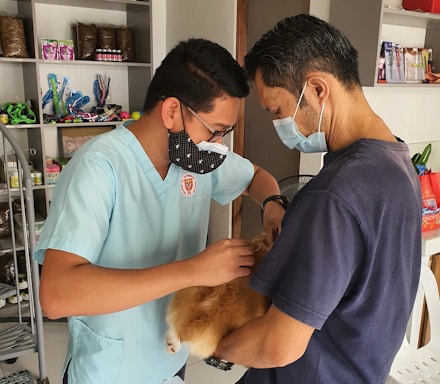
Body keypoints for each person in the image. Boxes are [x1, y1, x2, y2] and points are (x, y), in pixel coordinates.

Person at [34, 38, 286, 384]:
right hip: (113, 369)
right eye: (215, 131)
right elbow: (56, 296)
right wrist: (194, 271)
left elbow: (256, 177)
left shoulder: (196, 158)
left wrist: (273, 204)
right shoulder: (99, 166)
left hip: (170, 359)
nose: (220, 146)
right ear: (172, 111)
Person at [214, 14, 422, 384]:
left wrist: (214, 344)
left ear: (317, 90)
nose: (280, 125)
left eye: (277, 111)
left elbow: (278, 345)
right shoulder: (397, 160)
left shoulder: (334, 192)